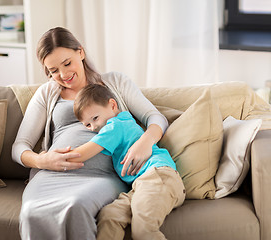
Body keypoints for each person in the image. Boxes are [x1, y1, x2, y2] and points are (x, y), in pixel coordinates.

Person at [12, 26, 170, 240]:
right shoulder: (47, 93)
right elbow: (19, 146)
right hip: (52, 176)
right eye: (53, 71)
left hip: (102, 176)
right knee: (32, 211)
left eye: (67, 63)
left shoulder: (114, 83)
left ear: (81, 52)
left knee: (76, 206)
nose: (64, 75)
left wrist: (145, 141)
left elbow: (156, 117)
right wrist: (42, 161)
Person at [71, 84, 185, 240]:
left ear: (112, 105)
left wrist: (53, 158)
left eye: (95, 118)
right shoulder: (124, 121)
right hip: (140, 185)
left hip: (159, 176)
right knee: (109, 216)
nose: (94, 127)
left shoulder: (115, 126)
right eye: (88, 125)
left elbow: (82, 154)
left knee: (143, 229)